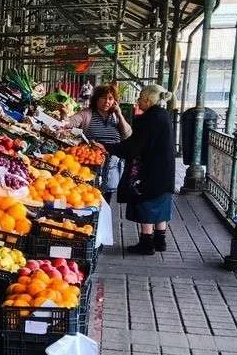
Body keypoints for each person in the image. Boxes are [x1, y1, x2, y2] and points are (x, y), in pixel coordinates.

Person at [115, 84, 176, 255]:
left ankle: (146, 243)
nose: (138, 101)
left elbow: (135, 147)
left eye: (140, 97)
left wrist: (110, 148)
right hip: (165, 172)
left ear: (148, 100)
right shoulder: (164, 116)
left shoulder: (147, 119)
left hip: (149, 173)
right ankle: (160, 240)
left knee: (146, 204)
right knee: (162, 204)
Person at [65, 84, 132, 203]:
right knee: (89, 196)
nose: (107, 102)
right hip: (91, 162)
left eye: (110, 99)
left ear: (115, 101)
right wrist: (65, 117)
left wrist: (119, 114)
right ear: (96, 99)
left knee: (106, 197)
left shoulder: (116, 117)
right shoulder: (87, 113)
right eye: (104, 98)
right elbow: (73, 121)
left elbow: (127, 134)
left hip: (111, 165)